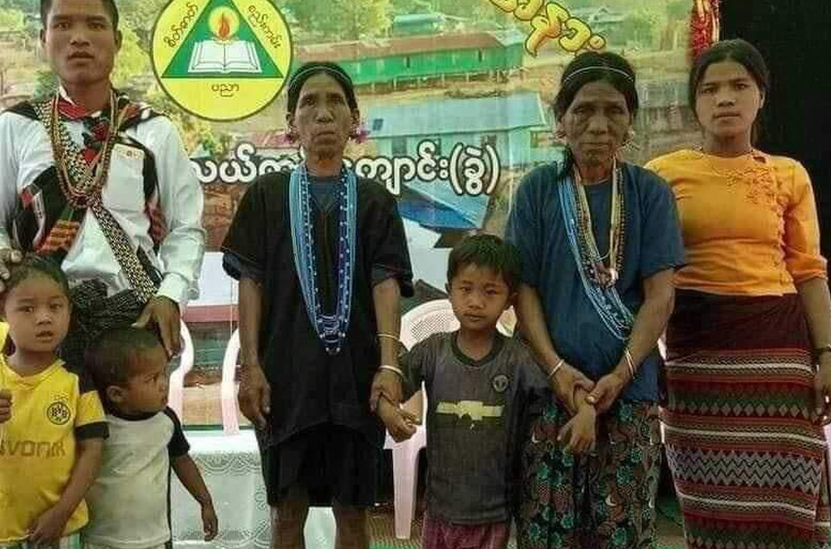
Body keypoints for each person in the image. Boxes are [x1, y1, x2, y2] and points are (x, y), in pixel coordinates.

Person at [646, 39, 831, 549]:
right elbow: (650, 276)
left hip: (779, 357)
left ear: (761, 96)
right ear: (695, 103)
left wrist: (827, 356)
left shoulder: (788, 174)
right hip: (696, 356)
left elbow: (810, 272)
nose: (724, 98)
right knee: (708, 508)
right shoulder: (663, 174)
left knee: (786, 504)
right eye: (710, 89)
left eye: (738, 86)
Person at [221, 61, 414, 549]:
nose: (323, 114)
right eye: (309, 103)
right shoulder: (266, 197)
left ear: (354, 120)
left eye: (335, 103)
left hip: (356, 376)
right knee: (288, 513)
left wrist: (389, 366)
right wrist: (252, 368)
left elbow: (386, 282)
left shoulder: (374, 200)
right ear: (292, 124)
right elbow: (251, 282)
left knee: (354, 515)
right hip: (287, 381)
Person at [505, 51, 686, 548]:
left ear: (630, 121)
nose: (598, 125)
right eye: (583, 110)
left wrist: (620, 374)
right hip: (549, 394)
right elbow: (524, 291)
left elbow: (660, 297)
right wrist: (557, 370)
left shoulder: (650, 193)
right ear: (561, 119)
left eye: (613, 110)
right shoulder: (538, 191)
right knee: (546, 533)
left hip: (629, 393)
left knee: (621, 534)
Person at [0, 0, 205, 367]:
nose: (78, 39)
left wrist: (170, 295)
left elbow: (186, 228)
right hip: (38, 328)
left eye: (94, 25)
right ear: (43, 39)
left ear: (117, 40)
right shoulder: (16, 128)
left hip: (133, 321)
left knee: (133, 427)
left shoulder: (153, 131)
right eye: (62, 26)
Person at [378, 234, 594, 549]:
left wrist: (587, 410)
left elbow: (562, 388)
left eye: (490, 292)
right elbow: (390, 385)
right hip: (438, 510)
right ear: (449, 290)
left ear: (510, 299)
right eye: (466, 289)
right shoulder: (431, 352)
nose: (476, 302)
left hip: (492, 514)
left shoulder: (518, 358)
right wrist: (387, 411)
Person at [0, 254, 107, 549]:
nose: (44, 317)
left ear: (69, 311)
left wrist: (61, 513)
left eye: (55, 306)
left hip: (60, 529)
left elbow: (93, 450)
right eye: (27, 308)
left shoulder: (76, 380)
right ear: (2, 317)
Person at [82, 327, 217, 549]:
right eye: (152, 379)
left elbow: (182, 461)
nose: (164, 383)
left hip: (154, 539)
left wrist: (205, 501)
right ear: (117, 394)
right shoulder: (96, 424)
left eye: (164, 372)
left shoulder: (166, 421)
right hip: (100, 539)